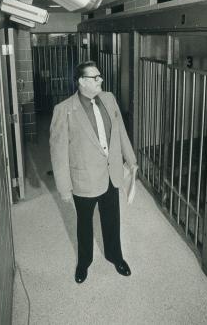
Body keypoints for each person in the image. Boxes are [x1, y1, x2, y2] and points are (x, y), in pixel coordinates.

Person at [49, 60, 137, 284]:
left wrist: (131, 160)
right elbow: (58, 153)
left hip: (111, 175)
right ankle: (84, 262)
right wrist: (64, 188)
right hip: (83, 179)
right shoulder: (64, 110)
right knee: (84, 224)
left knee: (112, 219)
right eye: (95, 77)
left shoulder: (109, 99)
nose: (101, 80)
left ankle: (115, 256)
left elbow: (120, 133)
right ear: (81, 82)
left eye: (100, 76)